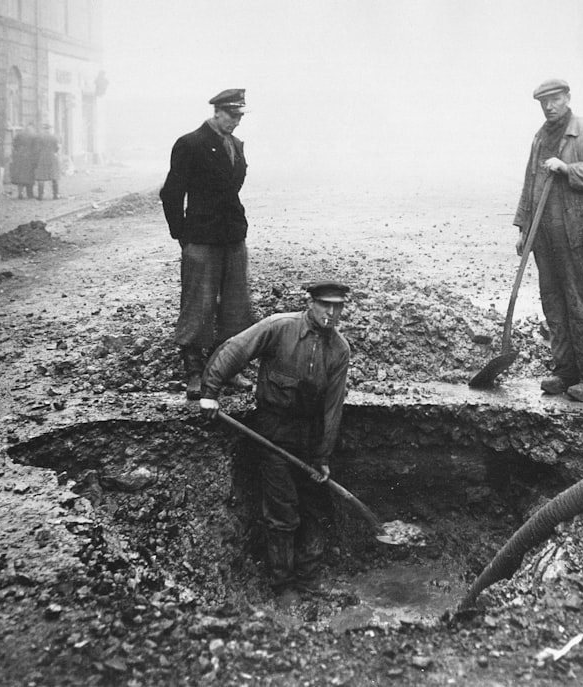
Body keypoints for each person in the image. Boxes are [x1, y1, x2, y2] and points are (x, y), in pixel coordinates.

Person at [198, 281, 351, 607]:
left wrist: (322, 456)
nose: (331, 313)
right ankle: (283, 586)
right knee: (282, 511)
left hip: (309, 437)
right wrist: (210, 392)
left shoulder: (339, 350)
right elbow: (236, 349)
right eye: (326, 305)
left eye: (338, 307)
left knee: (314, 507)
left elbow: (332, 408)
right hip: (273, 431)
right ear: (310, 303)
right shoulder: (280, 327)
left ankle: (309, 578)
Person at [514, 78, 583, 402]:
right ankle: (565, 371)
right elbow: (529, 183)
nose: (549, 106)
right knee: (554, 304)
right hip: (544, 238)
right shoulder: (540, 137)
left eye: (555, 99)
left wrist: (568, 168)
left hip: (576, 235)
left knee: (580, 304)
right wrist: (523, 227)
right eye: (544, 101)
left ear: (567, 98)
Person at [160, 88, 255, 399]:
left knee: (235, 306)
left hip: (233, 236)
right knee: (197, 306)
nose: (236, 122)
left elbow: (233, 188)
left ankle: (228, 367)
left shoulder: (237, 145)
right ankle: (194, 371)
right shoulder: (190, 143)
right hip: (201, 237)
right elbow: (172, 193)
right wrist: (182, 235)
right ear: (217, 112)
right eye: (232, 115)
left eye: (240, 116)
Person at [33, 123, 60, 200]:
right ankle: (55, 195)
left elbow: (37, 149)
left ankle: (40, 195)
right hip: (52, 158)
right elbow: (57, 148)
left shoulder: (39, 137)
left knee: (41, 177)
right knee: (54, 177)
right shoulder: (54, 137)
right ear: (50, 129)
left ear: (44, 129)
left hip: (42, 158)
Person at [10, 122, 36, 200]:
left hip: (20, 157)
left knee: (20, 178)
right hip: (29, 158)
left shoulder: (19, 134)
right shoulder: (33, 136)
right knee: (30, 177)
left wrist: (17, 152)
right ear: (31, 128)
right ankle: (30, 194)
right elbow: (36, 147)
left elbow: (14, 144)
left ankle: (20, 193)